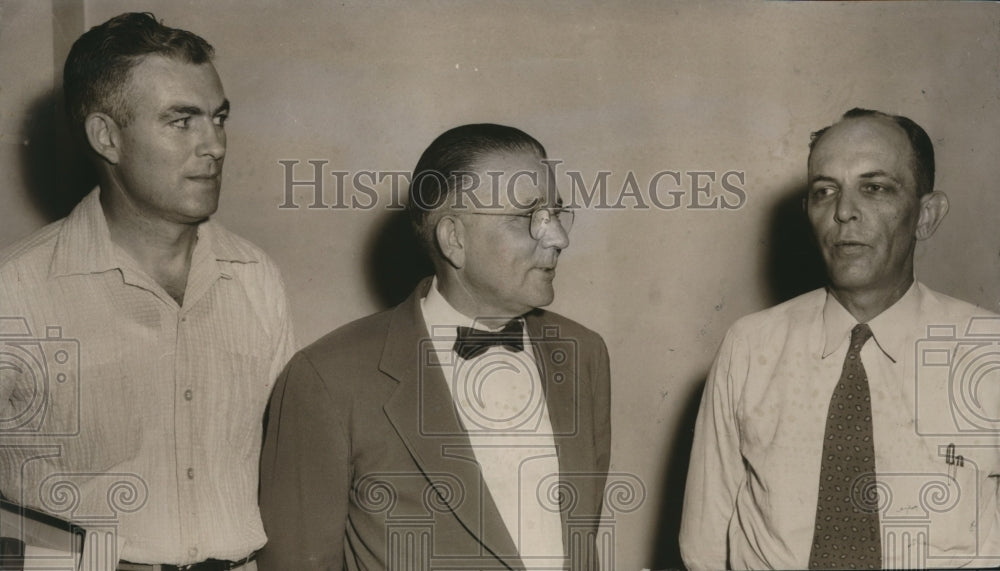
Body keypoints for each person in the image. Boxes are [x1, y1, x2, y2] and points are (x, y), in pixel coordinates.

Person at [0, 12, 294, 571]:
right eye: (181, 121)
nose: (215, 145)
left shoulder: (257, 278)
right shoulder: (14, 292)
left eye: (219, 118)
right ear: (106, 136)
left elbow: (283, 472)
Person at [258, 123, 611, 570]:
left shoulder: (584, 354)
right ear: (454, 239)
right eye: (528, 217)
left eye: (556, 212)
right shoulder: (327, 376)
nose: (559, 237)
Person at [680, 108, 1000, 570]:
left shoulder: (987, 350)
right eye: (824, 191)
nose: (844, 212)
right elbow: (703, 546)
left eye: (875, 188)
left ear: (926, 216)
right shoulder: (750, 347)